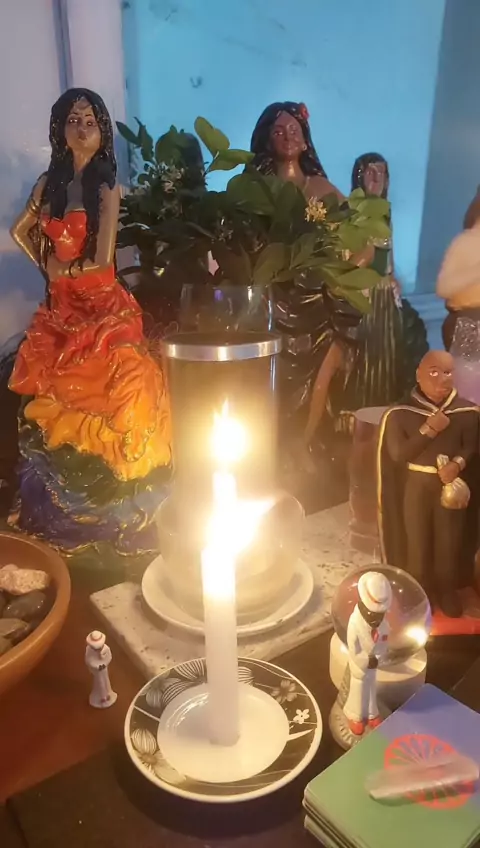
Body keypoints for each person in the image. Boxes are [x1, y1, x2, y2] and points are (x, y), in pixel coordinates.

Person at [8, 88, 171, 569]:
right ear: (59, 128)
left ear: (102, 133)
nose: (81, 129)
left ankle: (121, 506)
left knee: (119, 384)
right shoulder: (49, 183)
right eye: (73, 120)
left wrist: (68, 270)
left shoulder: (106, 187)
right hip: (62, 305)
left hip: (100, 305)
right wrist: (49, 267)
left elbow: (102, 257)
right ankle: (61, 509)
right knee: (51, 385)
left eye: (90, 121)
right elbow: (20, 230)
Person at [250, 102, 370, 469]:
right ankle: (271, 449)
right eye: (278, 131)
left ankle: (303, 443)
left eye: (294, 131)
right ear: (266, 141)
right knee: (270, 378)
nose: (287, 137)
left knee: (318, 373)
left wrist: (338, 269)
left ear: (305, 141)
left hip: (317, 303)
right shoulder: (258, 189)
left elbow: (363, 245)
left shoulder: (321, 188)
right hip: (272, 301)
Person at [377, 350, 479, 618]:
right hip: (417, 487)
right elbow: (399, 455)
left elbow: (471, 446)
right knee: (417, 543)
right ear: (418, 375)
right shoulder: (400, 413)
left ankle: (447, 590)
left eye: (447, 373)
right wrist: (429, 430)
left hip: (451, 490)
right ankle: (420, 592)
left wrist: (457, 464)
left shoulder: (467, 412)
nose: (442, 379)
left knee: (450, 542)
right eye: (433, 372)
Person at [340, 153, 428, 416]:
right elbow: (347, 259)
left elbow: (389, 255)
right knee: (363, 354)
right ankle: (358, 413)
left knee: (387, 353)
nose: (376, 177)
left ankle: (386, 412)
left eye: (381, 172)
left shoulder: (385, 212)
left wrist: (392, 276)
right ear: (359, 177)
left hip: (384, 295)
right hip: (363, 293)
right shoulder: (349, 211)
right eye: (370, 171)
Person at [343, 571, 391, 736]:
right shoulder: (355, 623)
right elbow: (353, 647)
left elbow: (383, 643)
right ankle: (355, 715)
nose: (376, 617)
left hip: (373, 664)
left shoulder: (383, 625)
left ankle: (371, 713)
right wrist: (365, 660)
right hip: (360, 665)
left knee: (371, 688)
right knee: (358, 689)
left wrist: (377, 658)